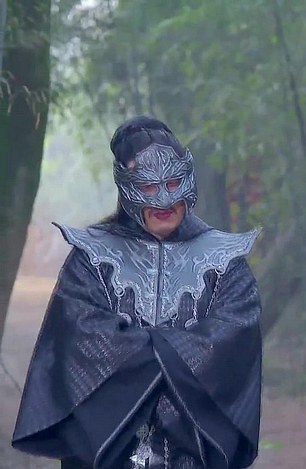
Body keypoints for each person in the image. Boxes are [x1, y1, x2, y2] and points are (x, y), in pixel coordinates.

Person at [12, 116, 263, 469]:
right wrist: (173, 355)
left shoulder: (225, 262)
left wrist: (143, 355)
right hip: (110, 455)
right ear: (126, 187)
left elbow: (231, 342)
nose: (164, 199)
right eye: (147, 187)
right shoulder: (92, 259)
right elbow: (81, 343)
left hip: (192, 455)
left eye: (173, 182)